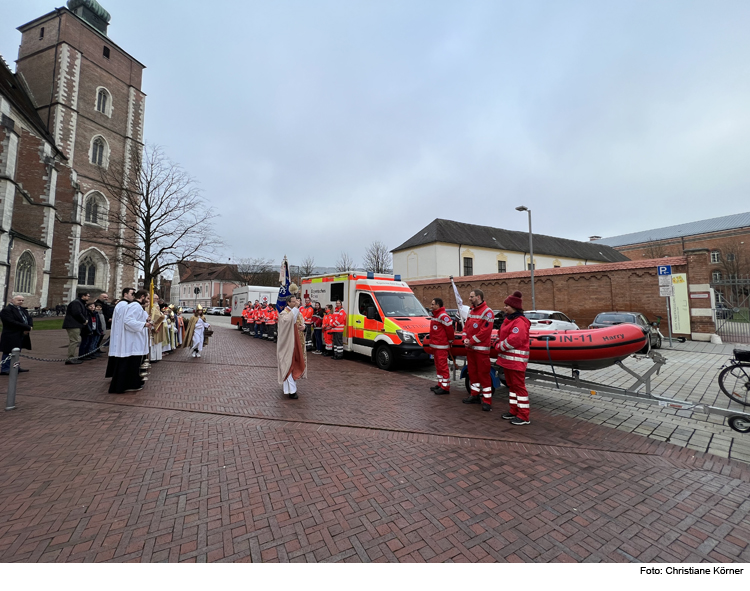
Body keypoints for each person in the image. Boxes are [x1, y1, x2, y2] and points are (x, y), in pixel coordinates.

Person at [495, 291, 531, 426]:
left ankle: (523, 416)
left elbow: (514, 340)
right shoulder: (510, 320)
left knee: (519, 388)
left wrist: (499, 346)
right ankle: (514, 410)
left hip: (516, 362)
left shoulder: (520, 322)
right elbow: (504, 336)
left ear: (514, 306)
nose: (504, 308)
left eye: (507, 305)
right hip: (508, 361)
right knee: (512, 387)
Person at [106, 288, 152, 394]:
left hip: (133, 340)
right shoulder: (135, 306)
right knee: (130, 364)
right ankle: (129, 385)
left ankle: (131, 384)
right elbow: (128, 321)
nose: (148, 301)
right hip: (132, 341)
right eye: (148, 298)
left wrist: (145, 320)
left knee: (133, 364)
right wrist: (144, 324)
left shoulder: (134, 306)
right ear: (142, 297)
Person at [462, 289, 495, 411]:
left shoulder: (488, 312)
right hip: (471, 350)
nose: (469, 299)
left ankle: (487, 401)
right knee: (473, 374)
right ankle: (474, 395)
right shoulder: (471, 311)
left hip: (481, 350)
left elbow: (485, 332)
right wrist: (465, 338)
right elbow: (466, 327)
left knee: (483, 375)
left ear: (479, 297)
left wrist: (471, 341)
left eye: (472, 297)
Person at [276, 294, 306, 398]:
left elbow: (301, 321)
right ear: (288, 302)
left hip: (296, 342)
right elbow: (288, 320)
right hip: (287, 344)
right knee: (288, 364)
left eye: (296, 301)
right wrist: (296, 308)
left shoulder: (296, 312)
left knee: (294, 364)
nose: (296, 303)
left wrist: (304, 326)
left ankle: (289, 389)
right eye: (293, 301)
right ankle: (292, 391)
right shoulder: (284, 313)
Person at [0, 295, 33, 374]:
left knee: (17, 350)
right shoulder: (6, 310)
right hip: (11, 334)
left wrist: (29, 326)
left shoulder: (22, 309)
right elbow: (10, 322)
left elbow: (29, 318)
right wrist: (26, 327)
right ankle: (5, 368)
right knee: (8, 351)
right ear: (12, 300)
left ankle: (15, 366)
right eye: (19, 300)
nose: (21, 302)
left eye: (22, 300)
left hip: (21, 334)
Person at [429, 297, 454, 395]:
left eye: (433, 304)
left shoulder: (443, 316)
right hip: (436, 345)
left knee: (443, 366)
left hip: (441, 346)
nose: (431, 306)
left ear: (438, 305)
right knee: (438, 366)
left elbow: (449, 330)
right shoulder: (436, 315)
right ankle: (440, 384)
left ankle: (445, 387)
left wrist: (450, 341)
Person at [62, 291, 90, 365]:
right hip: (73, 325)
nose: (88, 297)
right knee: (74, 341)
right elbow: (77, 313)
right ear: (83, 296)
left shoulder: (80, 303)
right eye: (87, 296)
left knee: (75, 340)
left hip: (76, 324)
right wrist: (84, 320)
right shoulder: (76, 303)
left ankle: (72, 357)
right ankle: (70, 358)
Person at [149, 295, 166, 362]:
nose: (158, 300)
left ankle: (157, 357)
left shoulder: (156, 306)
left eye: (158, 299)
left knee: (158, 343)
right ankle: (153, 358)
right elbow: (156, 316)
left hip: (159, 326)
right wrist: (162, 317)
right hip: (154, 327)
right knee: (154, 342)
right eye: (156, 299)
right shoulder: (151, 306)